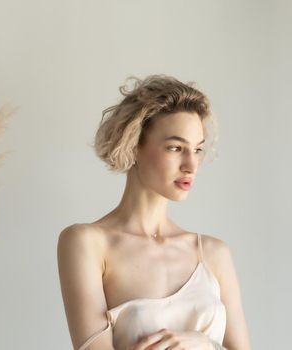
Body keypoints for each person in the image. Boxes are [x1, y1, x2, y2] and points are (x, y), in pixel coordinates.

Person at [57, 75, 251, 350]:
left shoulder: (214, 253)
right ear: (134, 145)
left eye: (197, 150)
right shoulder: (86, 242)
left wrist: (203, 344)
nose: (191, 165)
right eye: (175, 148)